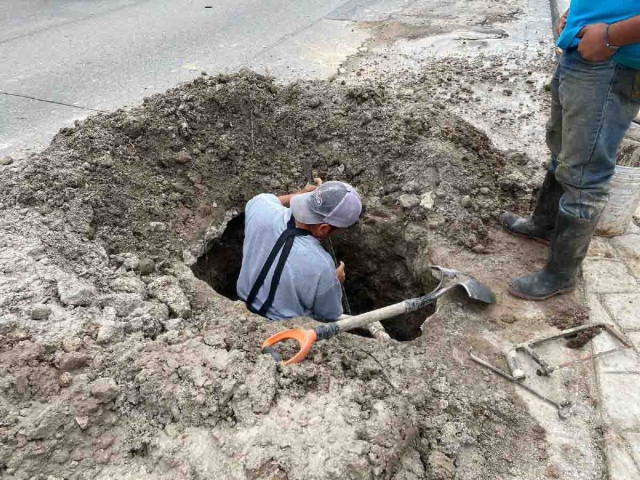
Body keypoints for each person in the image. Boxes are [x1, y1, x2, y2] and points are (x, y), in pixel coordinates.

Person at [501, 2, 640, 300]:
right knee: (563, 149)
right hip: (585, 50)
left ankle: (560, 274)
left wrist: (610, 35)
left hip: (613, 59)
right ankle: (544, 224)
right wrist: (574, 15)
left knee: (585, 171)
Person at [237, 179, 363, 320]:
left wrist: (302, 193)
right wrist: (333, 283)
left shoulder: (259, 207)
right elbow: (329, 315)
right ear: (324, 229)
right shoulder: (322, 267)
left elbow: (269, 201)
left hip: (239, 309)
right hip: (285, 331)